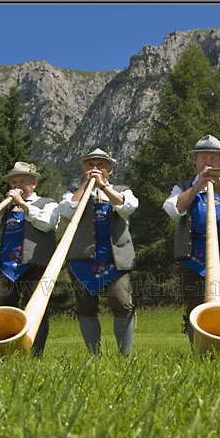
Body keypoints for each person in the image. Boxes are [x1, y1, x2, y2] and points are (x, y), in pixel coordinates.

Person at [163, 135, 220, 346]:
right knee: (195, 307)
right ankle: (200, 352)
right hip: (193, 257)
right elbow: (174, 209)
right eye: (204, 157)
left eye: (214, 157)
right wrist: (198, 187)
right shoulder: (183, 186)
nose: (209, 162)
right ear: (195, 160)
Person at [59, 148, 139, 356]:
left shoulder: (122, 190)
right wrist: (86, 186)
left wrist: (103, 186)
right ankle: (94, 355)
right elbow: (67, 211)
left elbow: (127, 207)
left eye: (100, 165)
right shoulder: (72, 193)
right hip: (81, 260)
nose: (95, 169)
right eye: (90, 165)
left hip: (116, 259)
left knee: (122, 303)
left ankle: (125, 356)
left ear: (110, 170)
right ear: (83, 169)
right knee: (85, 308)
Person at [0, 162, 60, 357]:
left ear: (34, 183)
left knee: (38, 311)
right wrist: (0, 209)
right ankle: (5, 354)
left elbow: (47, 224)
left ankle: (34, 354)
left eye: (23, 181)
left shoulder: (48, 204)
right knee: (3, 313)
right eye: (14, 182)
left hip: (36, 266)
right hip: (4, 267)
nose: (18, 185)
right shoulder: (1, 207)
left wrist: (23, 206)